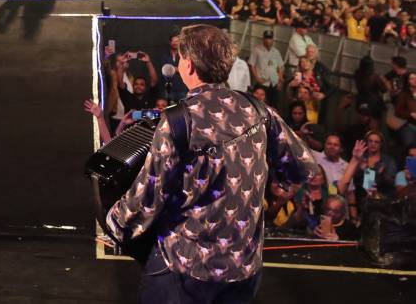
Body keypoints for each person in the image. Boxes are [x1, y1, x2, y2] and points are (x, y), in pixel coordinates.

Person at [106, 24, 316, 303]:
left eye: (180, 58)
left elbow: (148, 197)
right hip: (244, 269)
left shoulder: (180, 120)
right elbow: (303, 166)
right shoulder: (257, 108)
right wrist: (277, 184)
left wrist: (114, 223)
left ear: (189, 66)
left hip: (187, 270)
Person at [248, 30, 283, 107]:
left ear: (273, 39)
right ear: (263, 39)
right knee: (260, 104)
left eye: (270, 38)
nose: (268, 40)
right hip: (262, 82)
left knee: (273, 105)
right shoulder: (257, 49)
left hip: (274, 82)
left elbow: (280, 66)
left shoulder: (276, 51)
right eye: (266, 38)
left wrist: (280, 80)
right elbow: (252, 65)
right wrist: (257, 78)